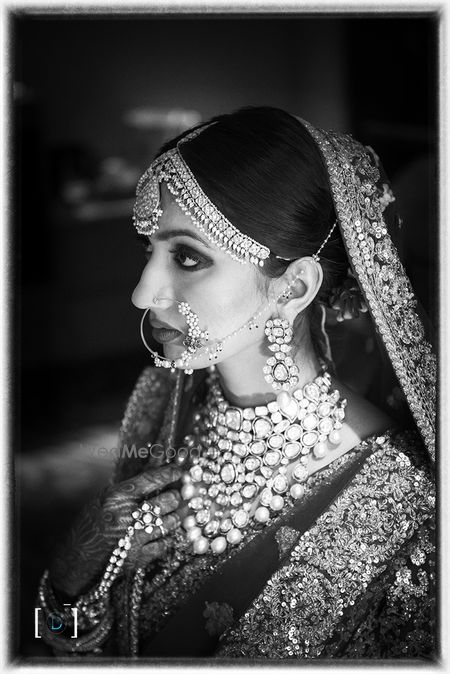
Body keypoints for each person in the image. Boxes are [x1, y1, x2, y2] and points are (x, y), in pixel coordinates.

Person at [37, 107, 436, 659]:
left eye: (187, 256)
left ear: (294, 288)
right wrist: (64, 585)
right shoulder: (164, 400)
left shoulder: (404, 514)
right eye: (148, 251)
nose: (142, 292)